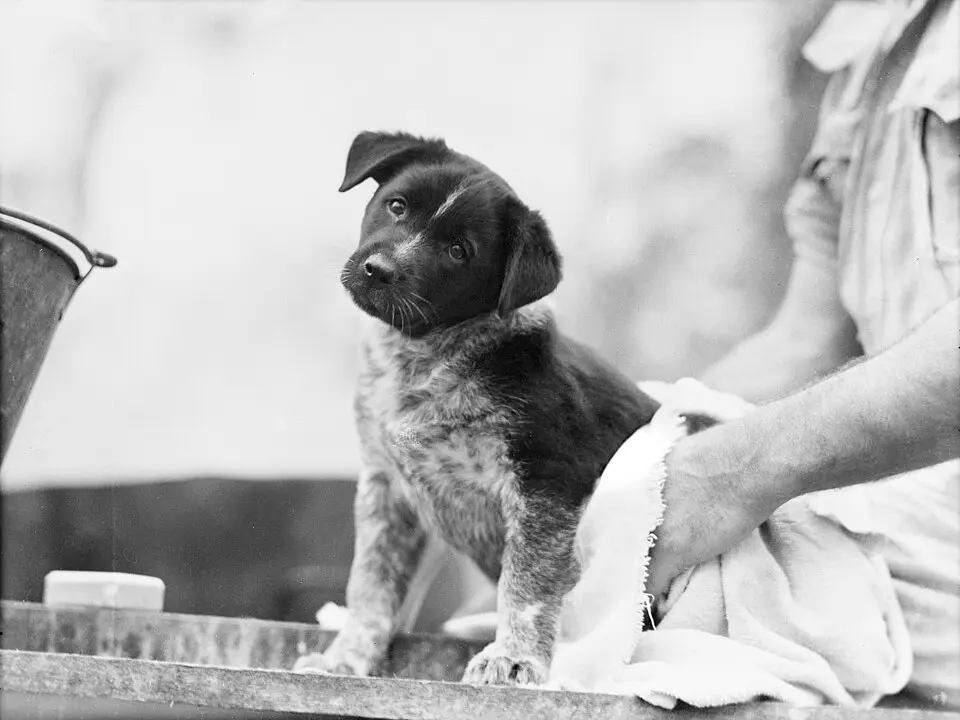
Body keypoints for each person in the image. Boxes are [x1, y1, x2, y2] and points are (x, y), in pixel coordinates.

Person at [646, 0, 959, 708]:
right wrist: (622, 451)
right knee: (605, 522)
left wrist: (732, 475)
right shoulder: (876, 37)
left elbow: (742, 473)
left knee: (739, 576)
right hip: (909, 512)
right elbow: (810, 338)